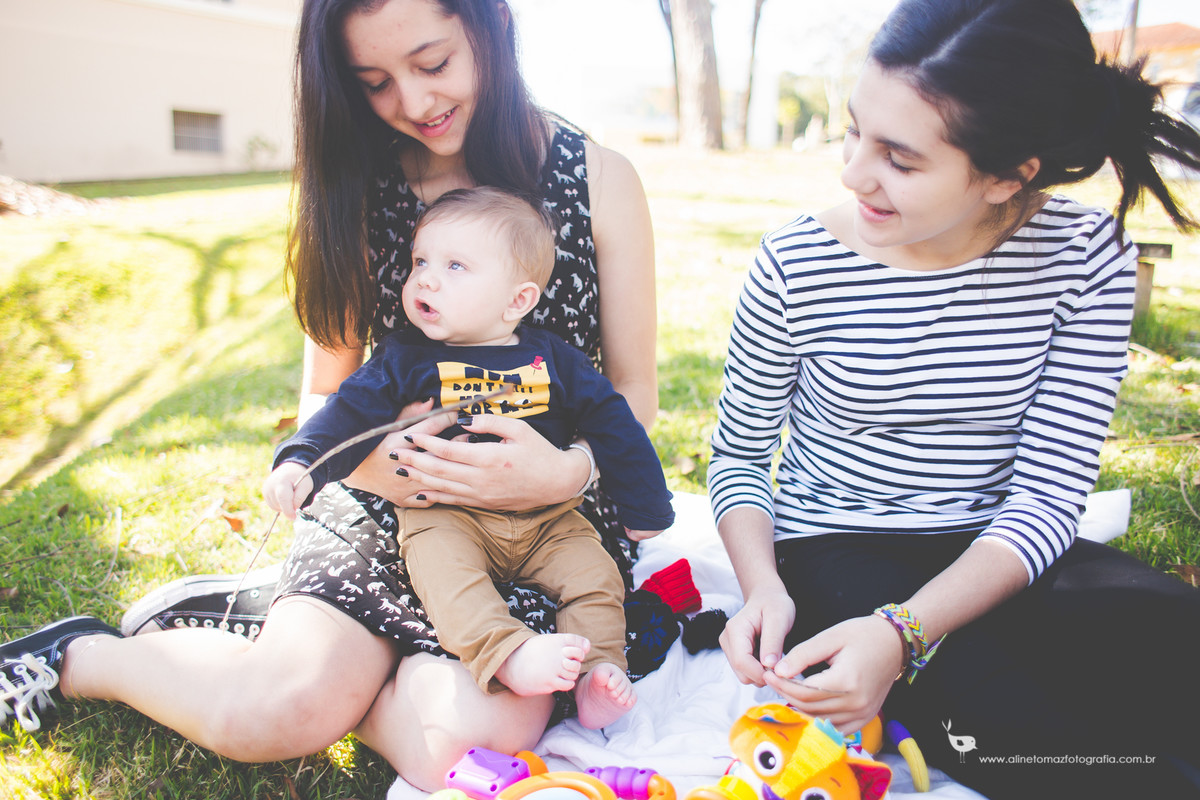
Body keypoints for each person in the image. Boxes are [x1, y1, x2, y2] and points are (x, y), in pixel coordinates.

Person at [0, 0, 658, 790]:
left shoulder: (599, 179)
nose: (414, 103)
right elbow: (327, 394)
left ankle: (331, 661)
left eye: (433, 63)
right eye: (375, 82)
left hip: (550, 518)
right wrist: (380, 469)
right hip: (389, 506)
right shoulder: (357, 185)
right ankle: (87, 658)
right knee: (271, 716)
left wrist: (568, 473)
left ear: (490, 30)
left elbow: (632, 391)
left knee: (478, 736)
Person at [707, 1, 1200, 797]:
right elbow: (738, 456)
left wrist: (906, 631)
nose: (853, 172)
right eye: (853, 130)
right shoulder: (795, 263)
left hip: (1000, 551)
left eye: (900, 159)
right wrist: (765, 589)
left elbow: (1048, 495)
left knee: (1176, 644)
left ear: (1010, 172)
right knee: (1039, 741)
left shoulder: (1087, 258)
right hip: (836, 544)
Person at [264, 186, 673, 729]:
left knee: (596, 577)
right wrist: (301, 464)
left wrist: (644, 509)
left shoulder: (554, 360)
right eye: (420, 262)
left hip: (549, 519)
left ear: (517, 301)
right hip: (445, 517)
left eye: (455, 266)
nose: (426, 279)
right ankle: (505, 652)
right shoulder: (404, 358)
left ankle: (598, 673)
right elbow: (348, 414)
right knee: (446, 578)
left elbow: (614, 422)